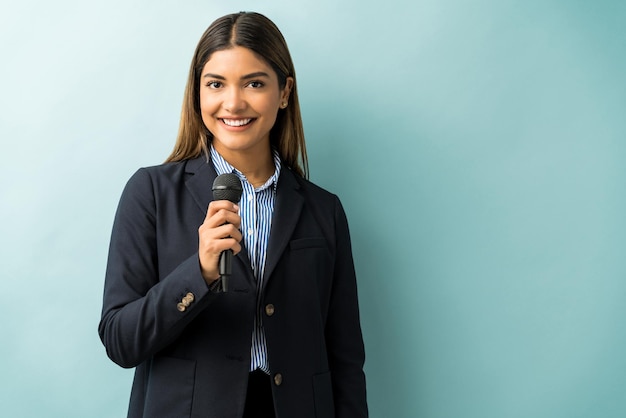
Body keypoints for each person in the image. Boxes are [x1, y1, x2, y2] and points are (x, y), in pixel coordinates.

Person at [98, 11, 367, 418]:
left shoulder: (323, 210)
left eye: (254, 83)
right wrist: (200, 272)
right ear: (198, 94)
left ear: (284, 92)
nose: (234, 103)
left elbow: (345, 359)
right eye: (216, 84)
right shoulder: (150, 193)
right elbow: (120, 341)